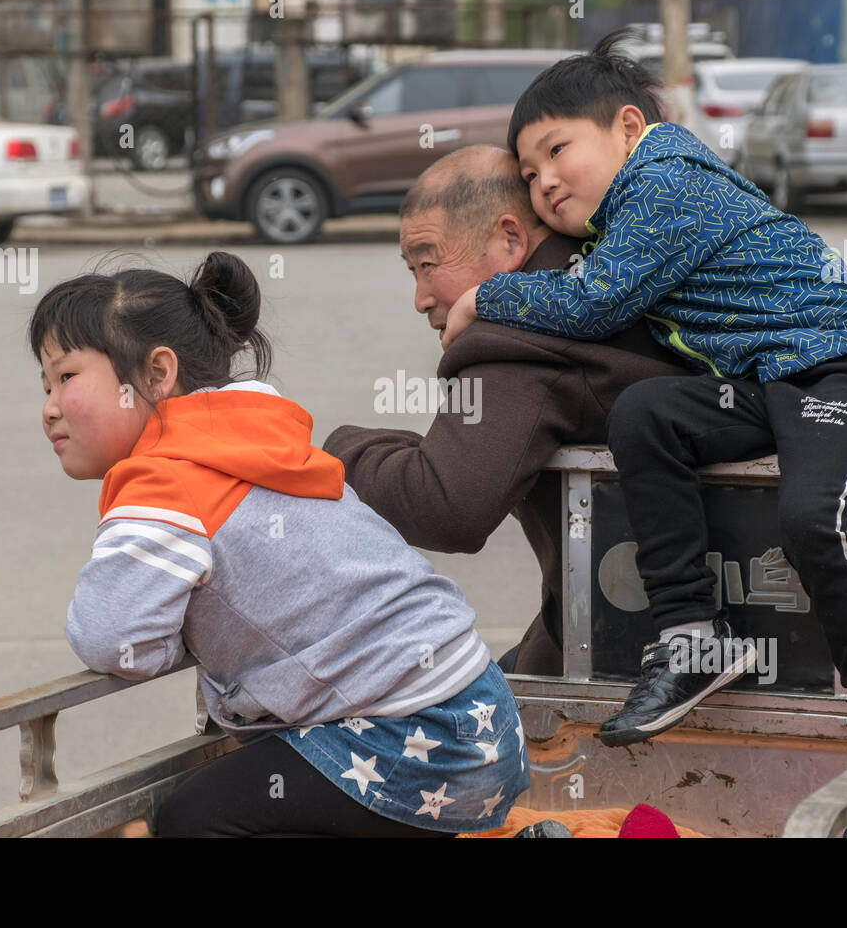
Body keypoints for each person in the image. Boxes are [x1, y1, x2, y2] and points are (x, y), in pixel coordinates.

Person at [441, 33, 847, 836]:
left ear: (630, 128)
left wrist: (481, 300)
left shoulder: (668, 180)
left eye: (557, 149)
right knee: (649, 415)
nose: (544, 183)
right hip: (772, 383)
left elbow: (591, 302)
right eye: (529, 175)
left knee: (819, 520)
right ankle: (692, 640)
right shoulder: (630, 212)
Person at [30, 251, 528, 837]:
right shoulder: (254, 436)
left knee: (195, 820)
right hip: (481, 714)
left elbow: (108, 637)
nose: (49, 408)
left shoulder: (165, 481)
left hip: (414, 742)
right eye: (43, 384)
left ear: (158, 373)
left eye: (67, 377)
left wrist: (175, 638)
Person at [325, 145, 688, 675]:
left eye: (428, 264)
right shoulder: (618, 266)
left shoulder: (520, 336)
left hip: (630, 642)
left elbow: (446, 505)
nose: (421, 298)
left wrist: (337, 451)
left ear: (511, 238)